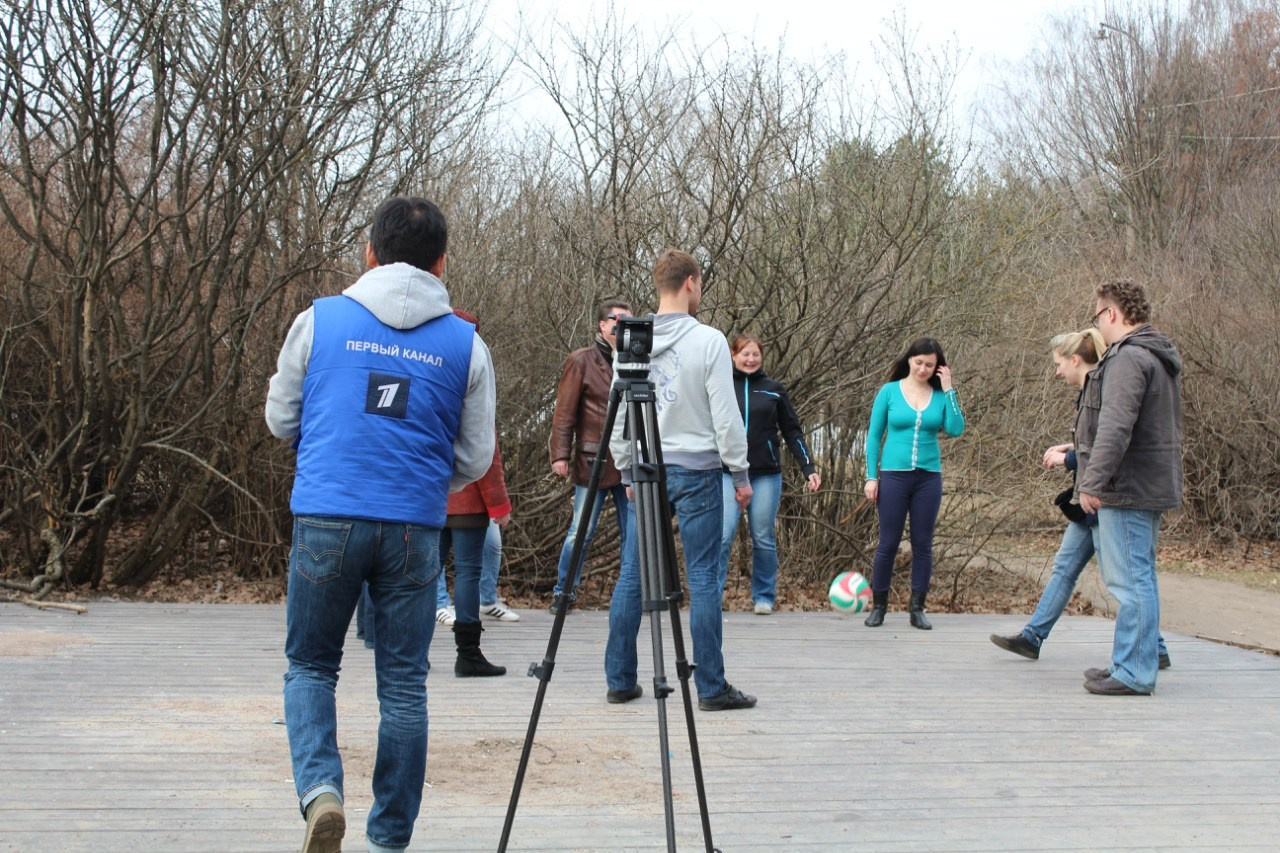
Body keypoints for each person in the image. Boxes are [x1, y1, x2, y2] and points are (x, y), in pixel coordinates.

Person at [265, 196, 495, 853]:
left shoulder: (319, 321)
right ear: (442, 262)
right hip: (413, 530)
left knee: (311, 665)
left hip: (326, 517)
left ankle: (321, 794)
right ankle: (389, 838)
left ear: (369, 252)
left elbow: (281, 419)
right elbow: (475, 457)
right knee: (403, 685)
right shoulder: (466, 344)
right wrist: (422, 476)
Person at [604, 248, 756, 712]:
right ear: (691, 282)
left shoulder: (633, 339)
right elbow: (725, 416)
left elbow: (618, 413)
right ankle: (710, 686)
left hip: (647, 468)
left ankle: (620, 679)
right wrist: (740, 471)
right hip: (698, 470)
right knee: (704, 577)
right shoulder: (709, 340)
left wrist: (626, 465)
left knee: (633, 572)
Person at [989, 329, 1171, 668]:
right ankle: (1033, 637)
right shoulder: (1093, 388)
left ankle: (1154, 649)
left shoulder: (1105, 386)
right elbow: (1096, 441)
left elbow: (1112, 444)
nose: (1057, 372)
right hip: (1089, 503)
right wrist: (1071, 448)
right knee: (1065, 569)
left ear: (1075, 360)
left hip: (1105, 500)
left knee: (1128, 580)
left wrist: (1069, 459)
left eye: (1059, 364)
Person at [1077, 280, 1183, 696]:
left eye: (1097, 317)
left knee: (1130, 582)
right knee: (1140, 578)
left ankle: (1134, 673)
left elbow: (1115, 427)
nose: (1098, 327)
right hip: (1145, 483)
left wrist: (1092, 481)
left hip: (1127, 486)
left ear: (1112, 315)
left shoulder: (1127, 359)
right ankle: (1130, 662)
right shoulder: (1154, 354)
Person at [862, 337, 965, 630]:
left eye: (929, 365)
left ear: (937, 367)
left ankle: (917, 608)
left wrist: (949, 391)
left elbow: (956, 429)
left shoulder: (940, 394)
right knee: (888, 543)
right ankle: (879, 606)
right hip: (893, 475)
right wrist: (871, 476)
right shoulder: (889, 392)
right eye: (918, 362)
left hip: (928, 478)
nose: (923, 368)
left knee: (922, 544)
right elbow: (873, 436)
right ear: (909, 360)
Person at [718, 333, 820, 615]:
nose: (750, 359)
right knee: (724, 535)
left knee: (762, 535)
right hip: (726, 473)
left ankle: (763, 596)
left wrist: (808, 467)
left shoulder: (774, 389)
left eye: (755, 355)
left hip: (765, 475)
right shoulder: (721, 386)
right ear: (733, 356)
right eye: (745, 354)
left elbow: (792, 431)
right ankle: (712, 596)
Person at [548, 299, 633, 612]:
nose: (621, 324)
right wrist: (560, 454)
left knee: (633, 533)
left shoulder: (636, 361)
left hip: (628, 461)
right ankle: (564, 592)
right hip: (592, 459)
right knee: (579, 532)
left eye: (627, 319)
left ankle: (629, 595)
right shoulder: (581, 360)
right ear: (602, 324)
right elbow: (564, 412)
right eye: (615, 318)